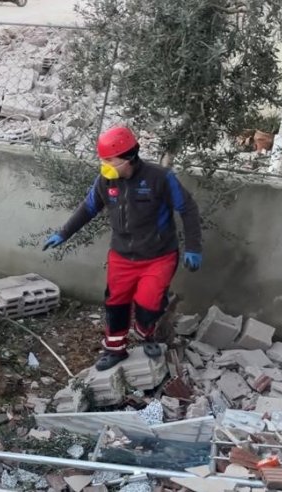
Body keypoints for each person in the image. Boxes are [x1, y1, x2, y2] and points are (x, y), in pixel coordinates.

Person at [43, 126, 202, 371]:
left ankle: (145, 332)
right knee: (116, 304)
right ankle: (114, 349)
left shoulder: (160, 178)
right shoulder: (105, 181)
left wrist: (193, 247)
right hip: (121, 256)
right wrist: (63, 233)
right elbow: (88, 208)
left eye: (109, 160)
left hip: (158, 256)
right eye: (102, 160)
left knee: (149, 303)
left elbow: (188, 208)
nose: (104, 165)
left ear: (128, 158)